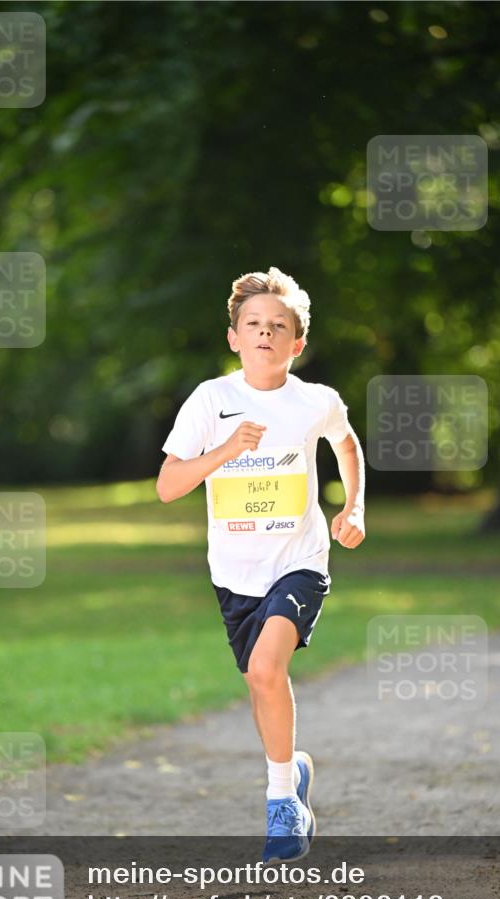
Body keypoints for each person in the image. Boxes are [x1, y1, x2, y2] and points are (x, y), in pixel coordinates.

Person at [156, 266, 365, 864]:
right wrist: (226, 450)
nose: (265, 333)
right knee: (258, 679)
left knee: (269, 668)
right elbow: (168, 485)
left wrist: (354, 506)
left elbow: (346, 443)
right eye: (253, 324)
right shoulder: (211, 400)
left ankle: (280, 802)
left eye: (278, 326)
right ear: (234, 338)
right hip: (234, 572)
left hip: (299, 560)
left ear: (297, 344)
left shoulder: (316, 401)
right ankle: (291, 770)